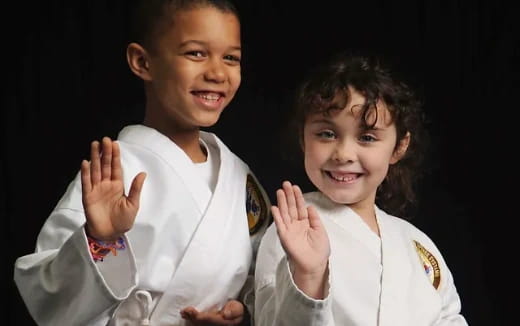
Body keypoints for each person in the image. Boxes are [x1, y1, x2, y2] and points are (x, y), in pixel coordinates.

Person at [13, 1, 271, 325]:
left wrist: (242, 310)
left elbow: (261, 274)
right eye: (195, 53)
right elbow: (49, 294)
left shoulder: (238, 177)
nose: (218, 73)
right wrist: (100, 240)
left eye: (231, 58)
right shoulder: (113, 174)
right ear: (142, 61)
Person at [254, 53, 468, 325]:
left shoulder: (416, 244)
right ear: (303, 138)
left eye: (367, 137)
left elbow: (450, 317)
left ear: (399, 146)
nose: (343, 154)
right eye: (326, 134)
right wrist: (308, 277)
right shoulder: (291, 235)